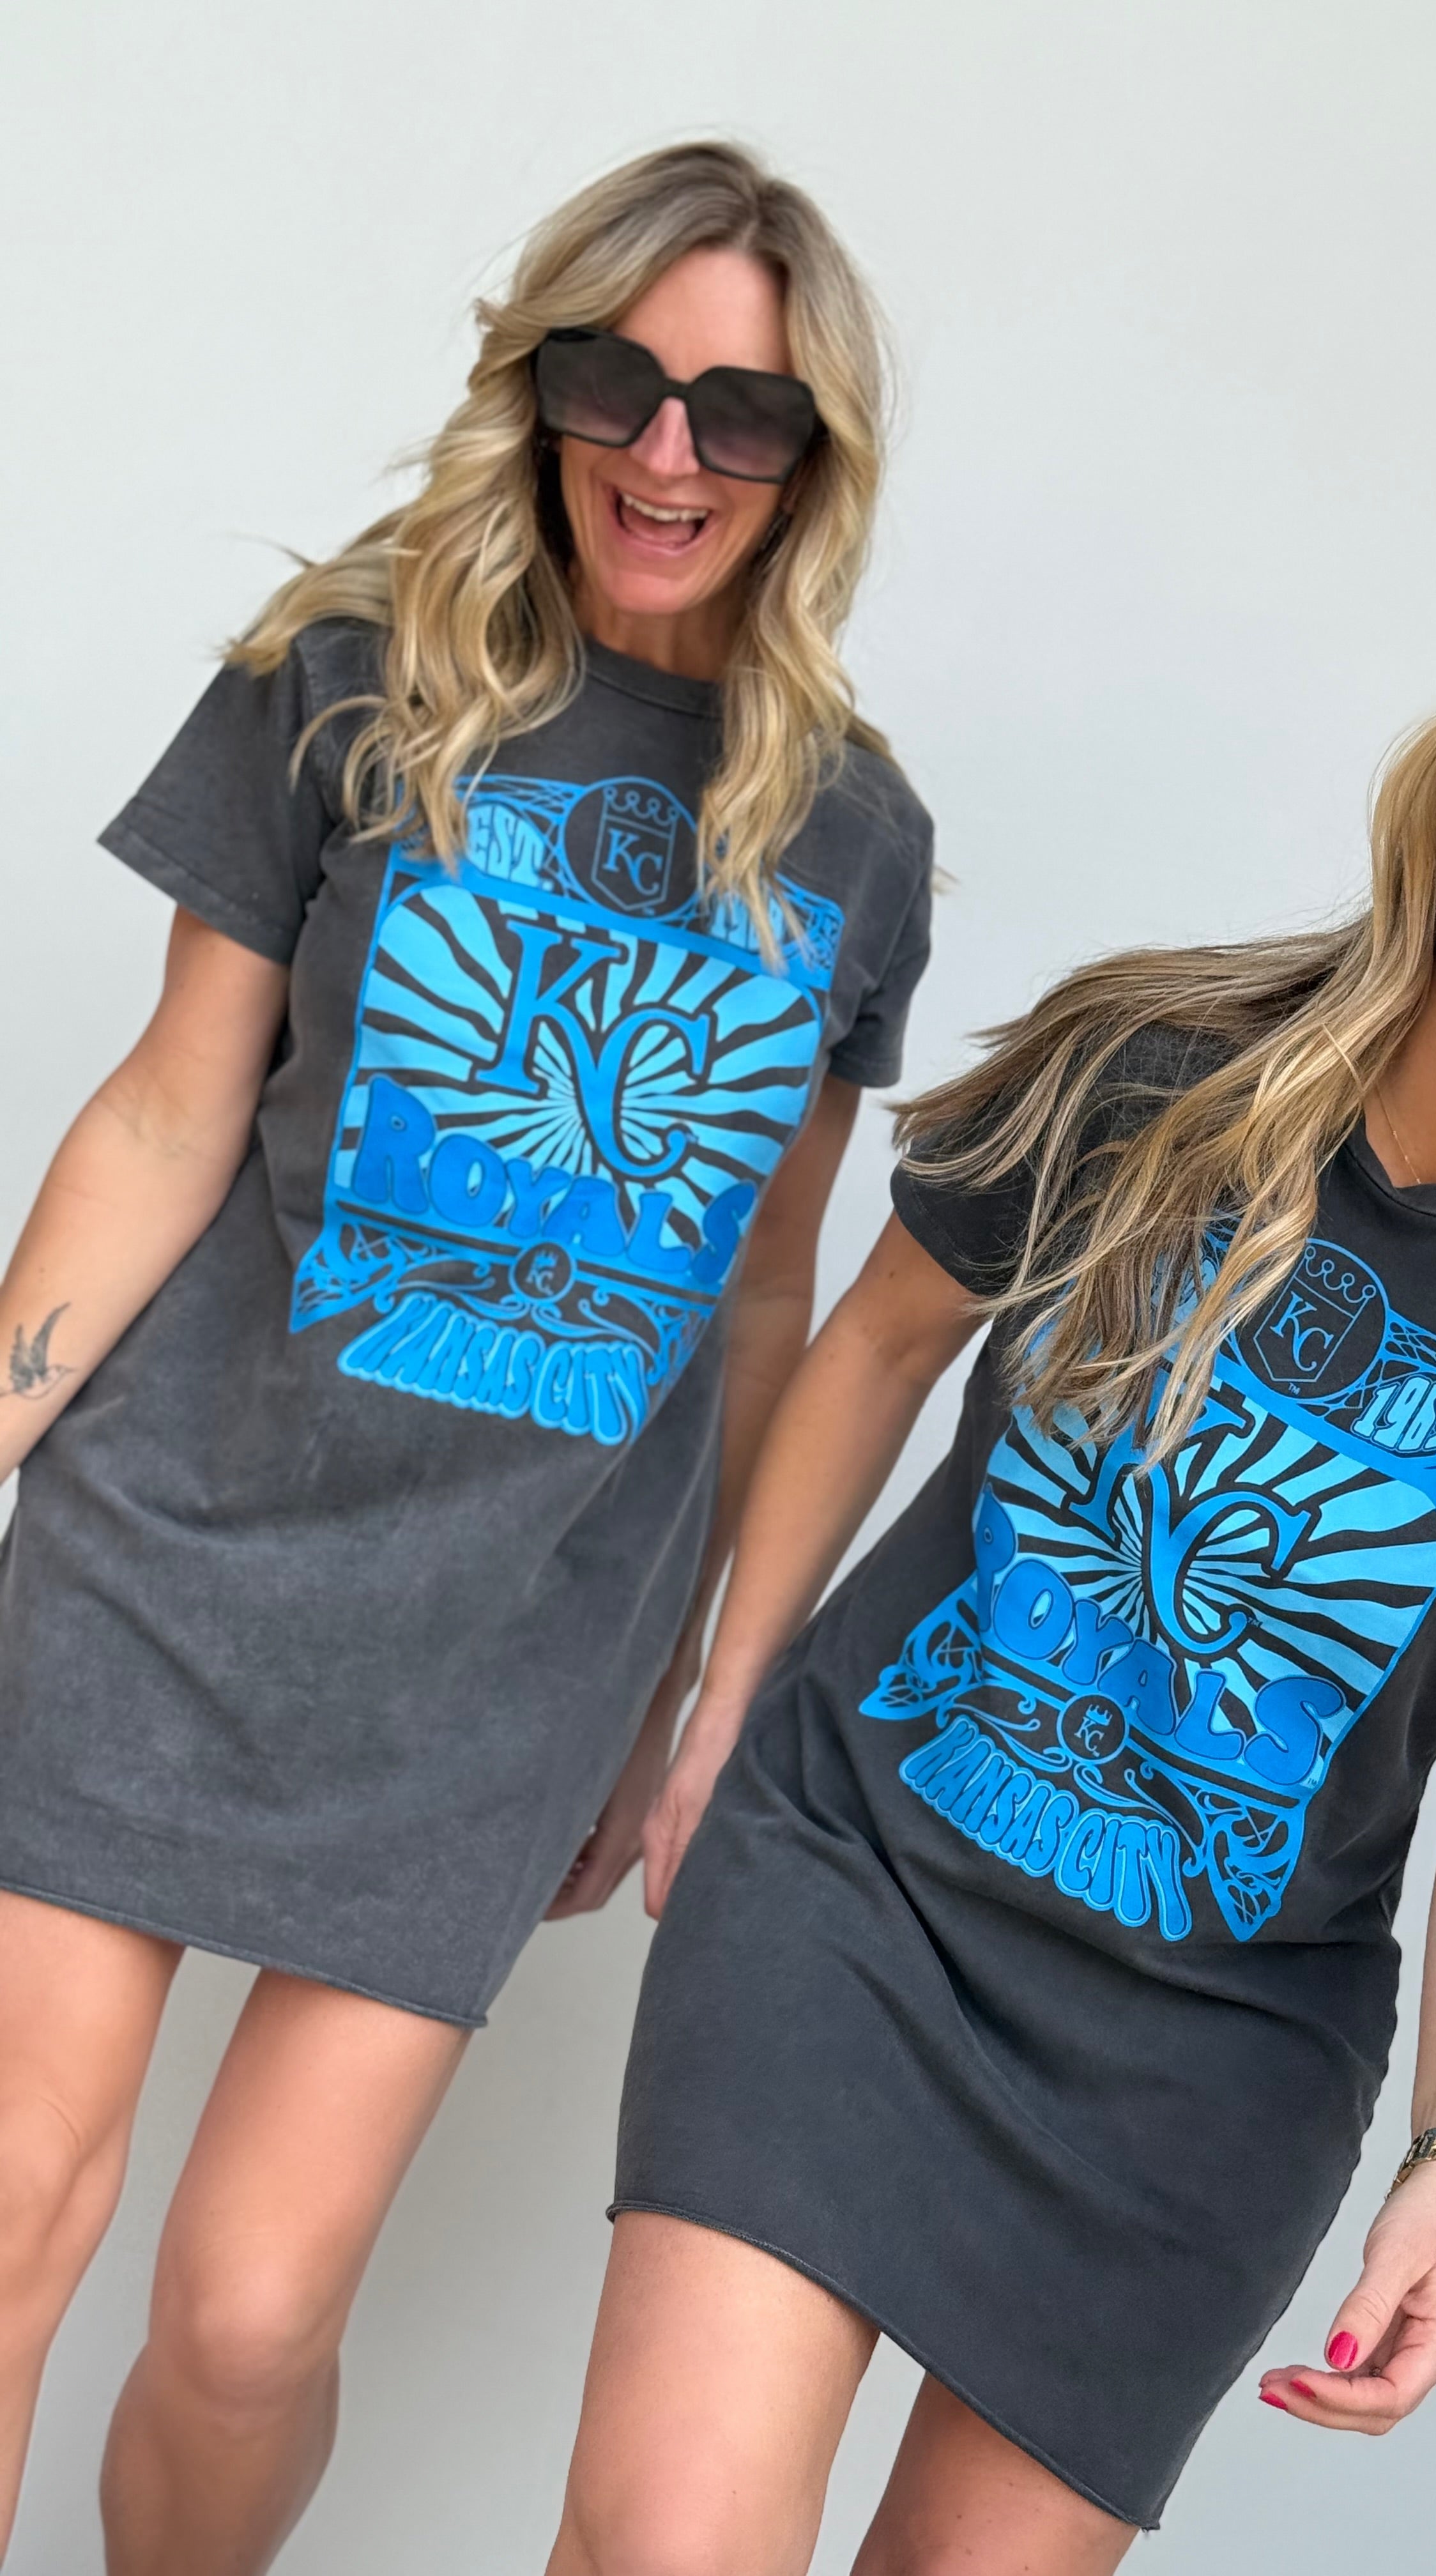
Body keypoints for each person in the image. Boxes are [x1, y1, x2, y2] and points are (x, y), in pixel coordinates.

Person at [546, 579, 1436, 2575]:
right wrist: (727, 1692)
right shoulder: (1155, 1062)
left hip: (1203, 2065)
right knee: (670, 2545)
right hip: (858, 1887)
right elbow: (883, 1341)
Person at [0, 140, 931, 2572]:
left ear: (813, 462)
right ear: (540, 388)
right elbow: (168, 1107)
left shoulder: (853, 836)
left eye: (744, 414)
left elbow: (762, 1296)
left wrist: (685, 1686)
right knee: (7, 2202)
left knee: (246, 2315)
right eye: (621, 382)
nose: (670, 454)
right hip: (166, 1547)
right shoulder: (347, 677)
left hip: (509, 1653)